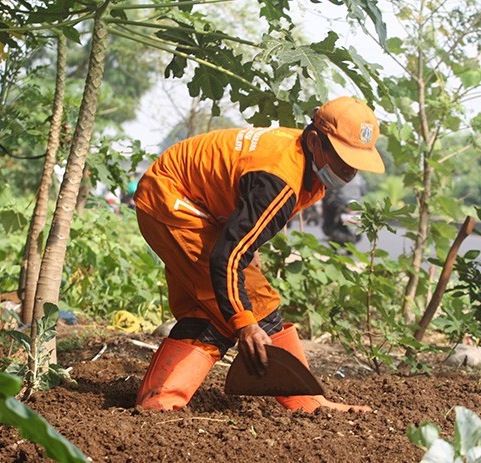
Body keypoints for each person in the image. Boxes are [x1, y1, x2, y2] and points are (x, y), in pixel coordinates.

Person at [132, 96, 384, 413]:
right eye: (343, 157)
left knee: (215, 307)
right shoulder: (280, 178)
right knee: (245, 308)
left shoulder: (301, 161)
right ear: (314, 140)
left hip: (191, 200)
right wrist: (246, 325)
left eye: (356, 161)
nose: (349, 170)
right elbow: (226, 256)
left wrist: (249, 248)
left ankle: (158, 401)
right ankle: (306, 402)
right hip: (172, 200)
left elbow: (243, 220)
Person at [321, 174, 367, 247]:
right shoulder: (359, 178)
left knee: (329, 209)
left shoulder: (338, 175)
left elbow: (329, 191)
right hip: (354, 204)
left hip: (341, 204)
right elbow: (363, 192)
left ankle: (328, 230)